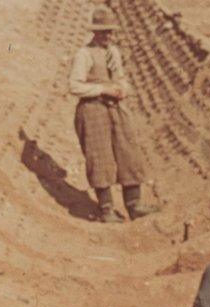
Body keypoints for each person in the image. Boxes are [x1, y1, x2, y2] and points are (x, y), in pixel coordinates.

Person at [69, 7, 158, 223]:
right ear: (95, 32)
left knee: (128, 152)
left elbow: (121, 77)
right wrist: (102, 89)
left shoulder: (114, 52)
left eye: (110, 32)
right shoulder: (84, 54)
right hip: (92, 110)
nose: (108, 36)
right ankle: (106, 209)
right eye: (103, 32)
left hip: (115, 108)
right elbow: (74, 86)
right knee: (100, 158)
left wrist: (122, 89)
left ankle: (134, 205)